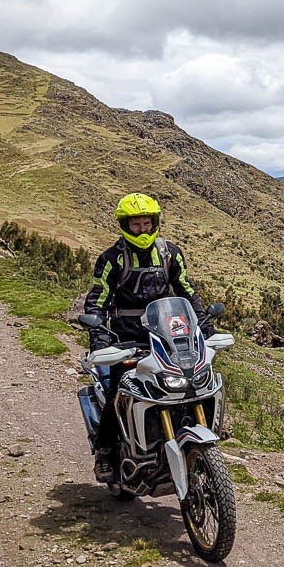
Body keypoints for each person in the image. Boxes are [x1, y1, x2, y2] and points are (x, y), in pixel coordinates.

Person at [83, 192, 209, 481]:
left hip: (165, 332)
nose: (142, 229)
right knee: (119, 392)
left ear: (155, 223)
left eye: (146, 223)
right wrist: (100, 337)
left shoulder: (170, 254)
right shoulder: (112, 259)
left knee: (191, 381)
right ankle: (104, 451)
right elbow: (97, 300)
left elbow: (187, 290)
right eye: (136, 224)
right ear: (125, 226)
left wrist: (203, 324)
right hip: (126, 337)